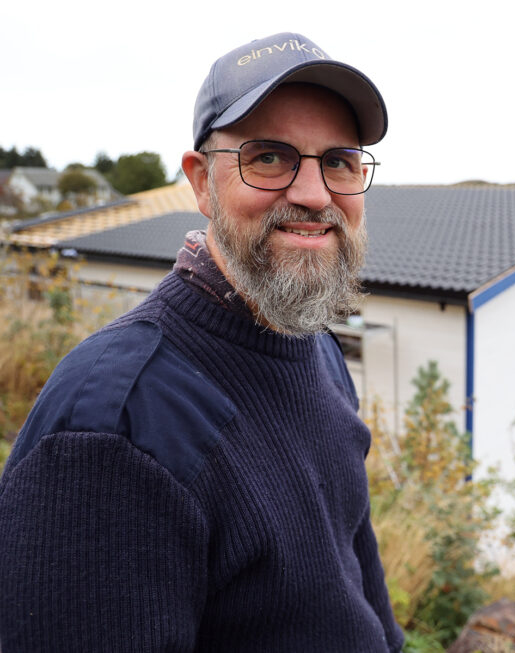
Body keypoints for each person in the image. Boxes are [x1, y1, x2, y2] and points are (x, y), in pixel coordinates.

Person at [0, 33, 404, 652]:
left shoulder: (314, 346)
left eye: (339, 161)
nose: (314, 194)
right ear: (201, 183)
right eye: (268, 157)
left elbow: (354, 562)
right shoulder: (111, 434)